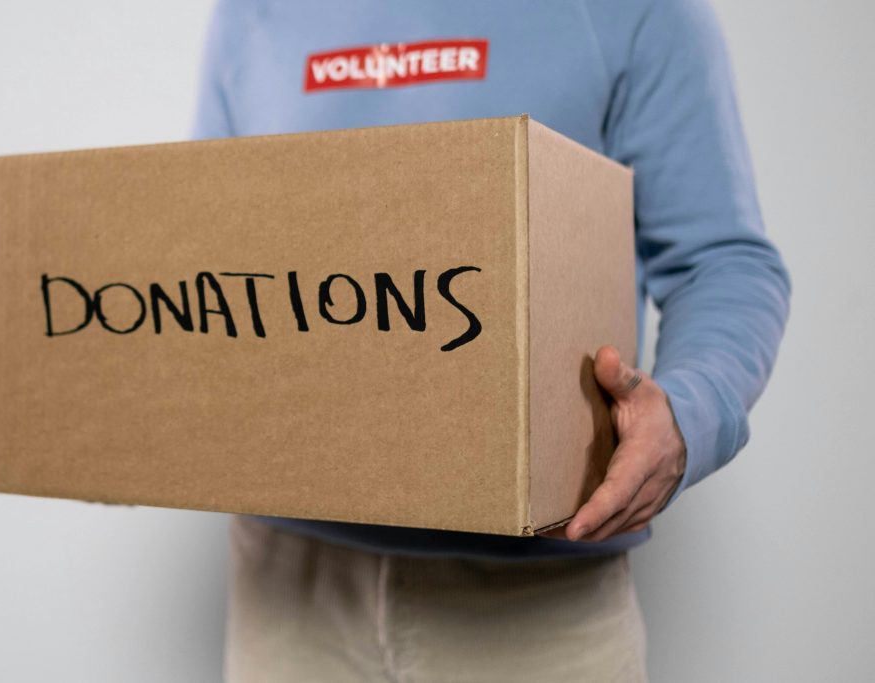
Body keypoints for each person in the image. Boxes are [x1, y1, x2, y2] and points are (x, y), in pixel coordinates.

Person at [192, 1, 791, 680]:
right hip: (285, 584)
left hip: (536, 594)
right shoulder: (252, 13)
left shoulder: (637, 11)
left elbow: (722, 261)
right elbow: (208, 247)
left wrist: (689, 413)